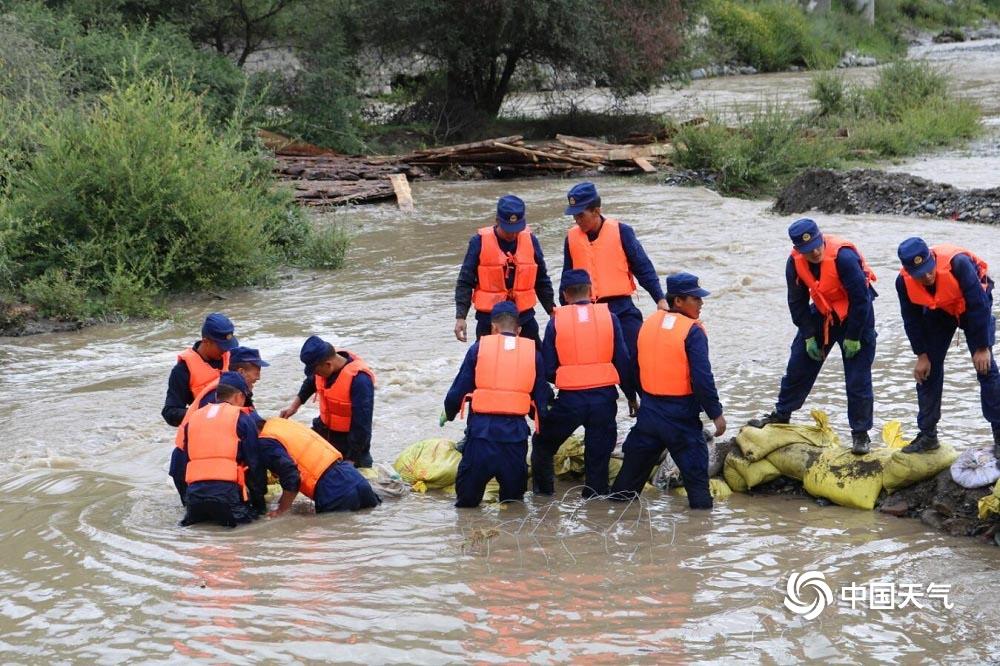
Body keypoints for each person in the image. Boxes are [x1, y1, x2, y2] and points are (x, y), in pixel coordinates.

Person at [748, 219, 878, 455]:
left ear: (821, 239)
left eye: (818, 246)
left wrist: (853, 336)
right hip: (823, 313)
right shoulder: (794, 263)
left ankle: (860, 434)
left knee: (857, 378)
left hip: (857, 316)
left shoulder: (844, 257)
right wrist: (808, 335)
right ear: (798, 250)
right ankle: (781, 414)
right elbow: (796, 302)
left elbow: (861, 300)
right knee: (798, 363)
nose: (815, 252)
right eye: (808, 251)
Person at [610, 273, 725, 510]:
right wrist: (716, 414)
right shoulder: (691, 331)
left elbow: (633, 366)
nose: (701, 304)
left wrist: (633, 396)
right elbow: (702, 379)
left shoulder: (648, 324)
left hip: (649, 414)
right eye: (696, 299)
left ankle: (611, 524)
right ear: (678, 302)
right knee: (698, 487)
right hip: (680, 417)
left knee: (626, 486)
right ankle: (700, 535)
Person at [531, 269, 637, 498]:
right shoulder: (609, 317)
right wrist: (630, 395)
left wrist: (564, 380)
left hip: (570, 401)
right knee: (598, 458)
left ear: (565, 295)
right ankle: (595, 505)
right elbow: (623, 360)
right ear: (591, 291)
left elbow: (548, 367)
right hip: (604, 400)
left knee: (542, 444)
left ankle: (543, 498)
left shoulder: (557, 321)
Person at [895, 237, 1000, 458]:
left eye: (928, 269)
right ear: (907, 270)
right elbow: (911, 319)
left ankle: (999, 435)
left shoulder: (958, 264)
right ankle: (927, 435)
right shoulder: (902, 282)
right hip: (939, 311)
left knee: (986, 370)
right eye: (919, 273)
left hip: (971, 309)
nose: (926, 276)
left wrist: (983, 347)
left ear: (931, 258)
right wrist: (921, 354)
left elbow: (979, 304)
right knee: (927, 371)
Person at [441, 302, 551, 508]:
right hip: (515, 439)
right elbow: (541, 399)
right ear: (519, 330)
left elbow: (460, 388)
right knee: (513, 505)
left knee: (466, 503)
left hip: (481, 437)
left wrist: (449, 411)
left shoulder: (479, 349)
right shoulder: (533, 355)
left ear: (493, 328)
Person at [561, 182, 668, 361]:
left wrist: (660, 298)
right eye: (574, 216)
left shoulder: (622, 232)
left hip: (622, 309)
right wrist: (564, 314)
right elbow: (567, 277)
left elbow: (643, 268)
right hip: (588, 311)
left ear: (596, 211)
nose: (577, 221)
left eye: (581, 215)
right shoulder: (571, 238)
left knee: (636, 359)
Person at [454, 194, 555, 345]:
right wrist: (461, 317)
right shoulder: (478, 242)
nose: (513, 234)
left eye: (517, 229)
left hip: (524, 319)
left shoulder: (531, 240)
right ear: (497, 221)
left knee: (537, 361)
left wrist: (551, 310)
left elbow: (541, 279)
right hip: (489, 320)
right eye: (508, 230)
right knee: (482, 362)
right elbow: (465, 281)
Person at [173, 372, 265, 527]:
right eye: (244, 398)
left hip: (194, 498)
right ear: (238, 396)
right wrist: (260, 505)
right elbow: (254, 464)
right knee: (252, 527)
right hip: (227, 497)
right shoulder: (242, 419)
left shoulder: (194, 418)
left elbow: (184, 461)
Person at [280, 336, 376, 468]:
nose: (316, 375)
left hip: (351, 442)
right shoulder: (325, 362)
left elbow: (362, 424)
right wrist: (294, 407)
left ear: (328, 365)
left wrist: (351, 459)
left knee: (355, 481)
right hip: (325, 431)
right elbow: (310, 382)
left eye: (317, 371)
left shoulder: (360, 380)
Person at [259, 418, 382, 513]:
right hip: (356, 478)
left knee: (338, 542)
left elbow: (292, 476)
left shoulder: (264, 441)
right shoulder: (278, 423)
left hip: (332, 490)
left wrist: (281, 511)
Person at [162, 313, 239, 427]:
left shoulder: (232, 357)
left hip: (235, 424)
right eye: (221, 346)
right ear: (206, 341)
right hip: (206, 429)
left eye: (228, 345)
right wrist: (203, 413)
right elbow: (170, 412)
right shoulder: (182, 370)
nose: (225, 350)